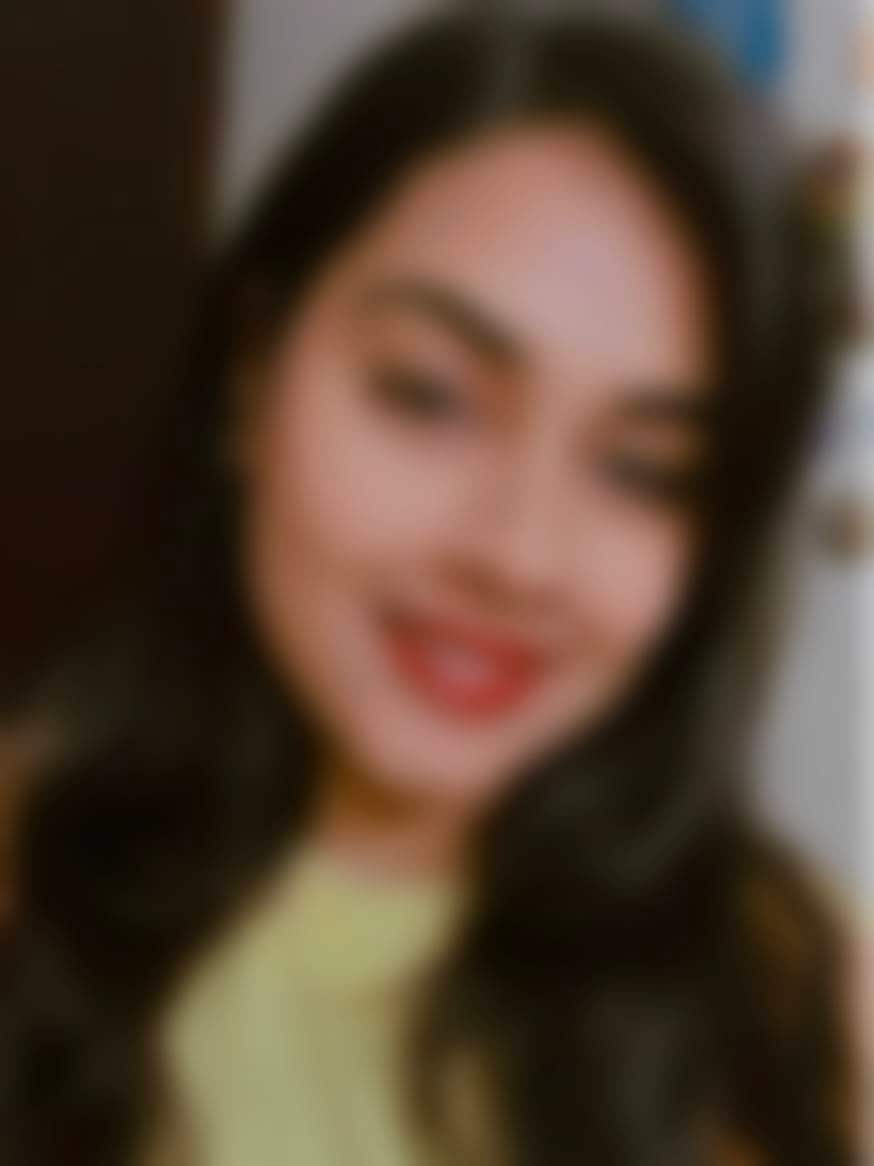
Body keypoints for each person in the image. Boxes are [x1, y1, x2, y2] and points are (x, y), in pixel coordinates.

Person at [0, 9, 857, 1165]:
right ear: (252, 373)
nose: (518, 554)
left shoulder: (805, 1005)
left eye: (643, 470)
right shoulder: (23, 878)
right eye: (428, 394)